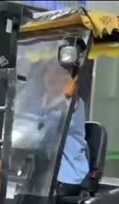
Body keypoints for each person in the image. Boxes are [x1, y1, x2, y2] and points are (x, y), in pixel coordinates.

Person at [36, 63, 90, 196]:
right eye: (49, 73)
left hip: (67, 172)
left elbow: (51, 127)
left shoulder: (72, 103)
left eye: (58, 74)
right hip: (42, 170)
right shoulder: (40, 102)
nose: (52, 77)